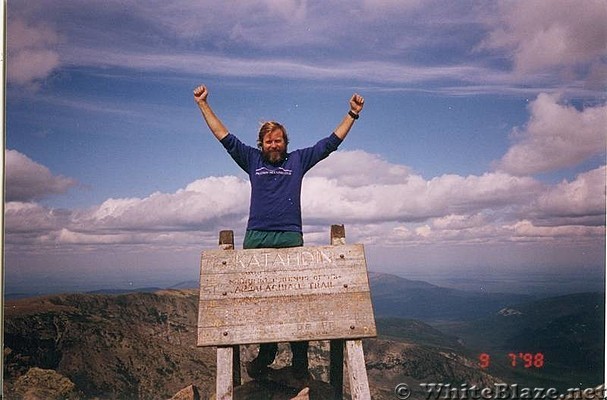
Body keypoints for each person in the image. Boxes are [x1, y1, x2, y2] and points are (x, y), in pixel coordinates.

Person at [193, 84, 364, 380]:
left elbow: (330, 143)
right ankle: (267, 354)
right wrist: (203, 104)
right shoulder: (251, 160)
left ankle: (300, 362)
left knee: (298, 302)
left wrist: (352, 114)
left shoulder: (297, 160)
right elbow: (223, 136)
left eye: (279, 141)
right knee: (261, 303)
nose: (274, 145)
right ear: (261, 144)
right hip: (257, 237)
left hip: (290, 237)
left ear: (286, 142)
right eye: (269, 141)